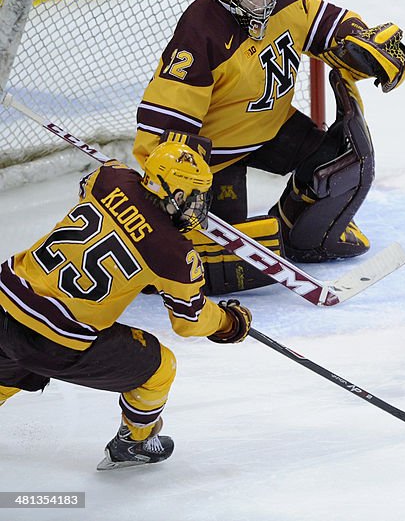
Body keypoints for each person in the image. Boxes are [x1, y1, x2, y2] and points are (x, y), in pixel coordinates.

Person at [133, 0, 405, 294]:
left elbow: (326, 24)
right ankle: (151, 255)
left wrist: (360, 42)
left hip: (273, 126)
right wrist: (172, 172)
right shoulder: (201, 31)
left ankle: (304, 236)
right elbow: (166, 113)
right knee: (219, 259)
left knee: (342, 157)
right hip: (216, 154)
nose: (264, 4)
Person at [0, 138, 252, 470]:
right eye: (194, 196)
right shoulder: (175, 254)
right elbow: (188, 321)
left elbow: (89, 196)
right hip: (53, 340)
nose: (197, 206)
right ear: (175, 195)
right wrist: (227, 322)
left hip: (5, 298)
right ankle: (135, 442)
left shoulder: (110, 177)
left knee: (11, 360)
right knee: (160, 368)